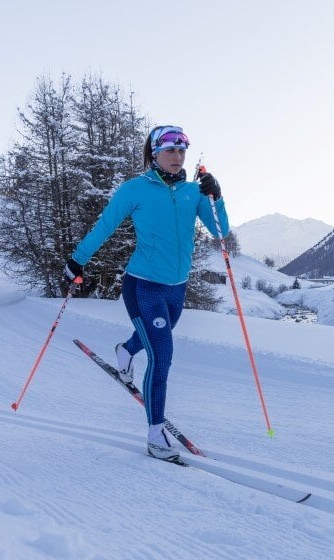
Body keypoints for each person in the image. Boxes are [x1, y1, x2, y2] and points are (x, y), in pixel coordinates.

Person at [63, 125, 228, 462]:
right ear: (155, 152)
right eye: (170, 150)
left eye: (182, 150)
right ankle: (155, 436)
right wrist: (77, 260)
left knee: (157, 336)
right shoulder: (134, 189)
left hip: (176, 289)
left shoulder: (193, 193)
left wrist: (216, 197)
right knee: (162, 354)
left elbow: (221, 233)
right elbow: (104, 226)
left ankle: (125, 351)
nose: (177, 156)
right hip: (143, 286)